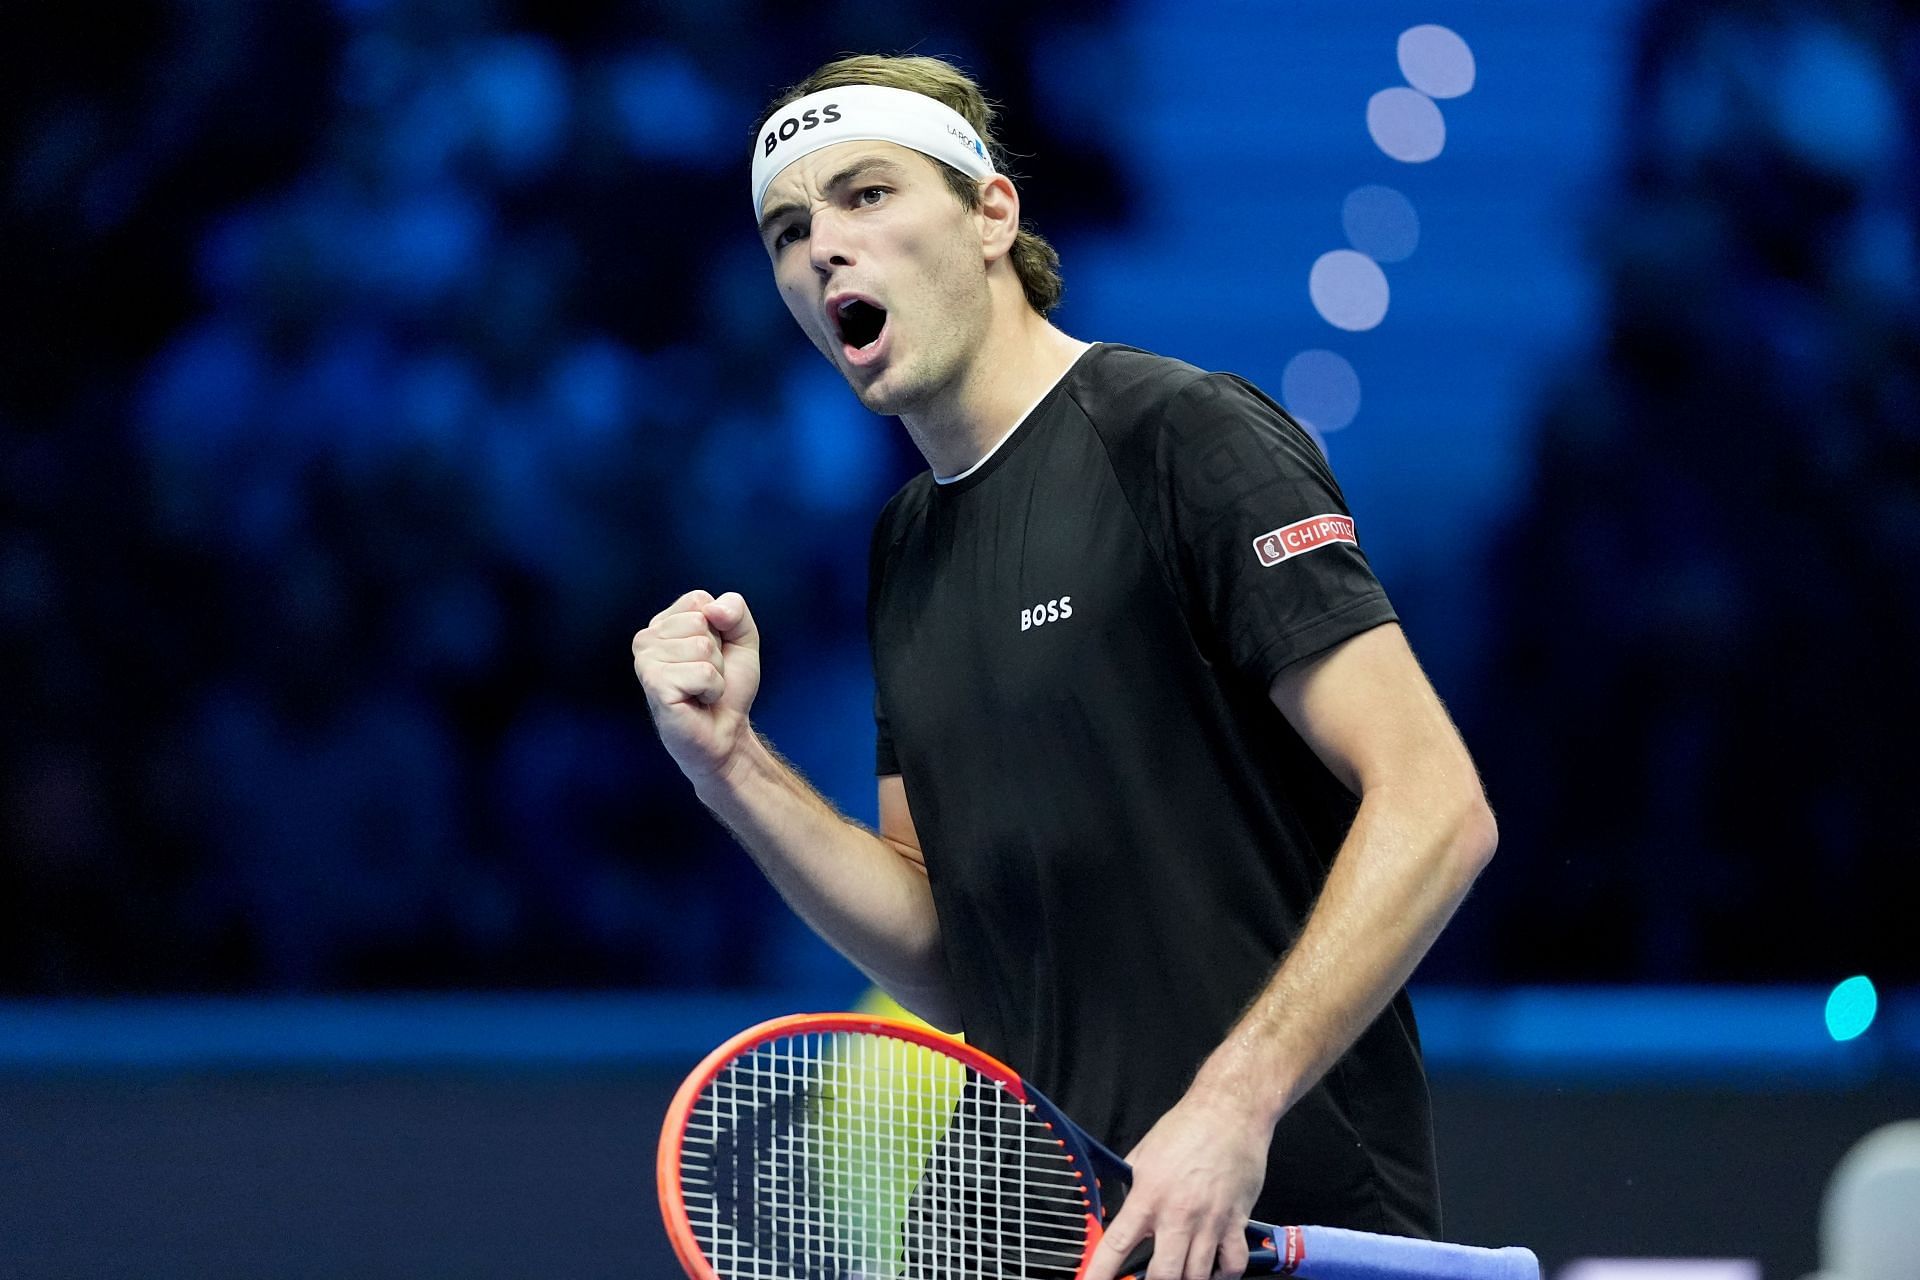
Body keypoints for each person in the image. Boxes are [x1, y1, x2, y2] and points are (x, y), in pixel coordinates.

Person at [631, 53, 1498, 1280]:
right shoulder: (906, 546)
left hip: (1276, 1214)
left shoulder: (1181, 435)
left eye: (867, 194)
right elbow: (947, 951)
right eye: (787, 228)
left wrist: (1229, 1105)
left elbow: (1437, 802)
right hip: (1041, 1223)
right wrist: (728, 766)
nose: (821, 247)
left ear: (994, 213)